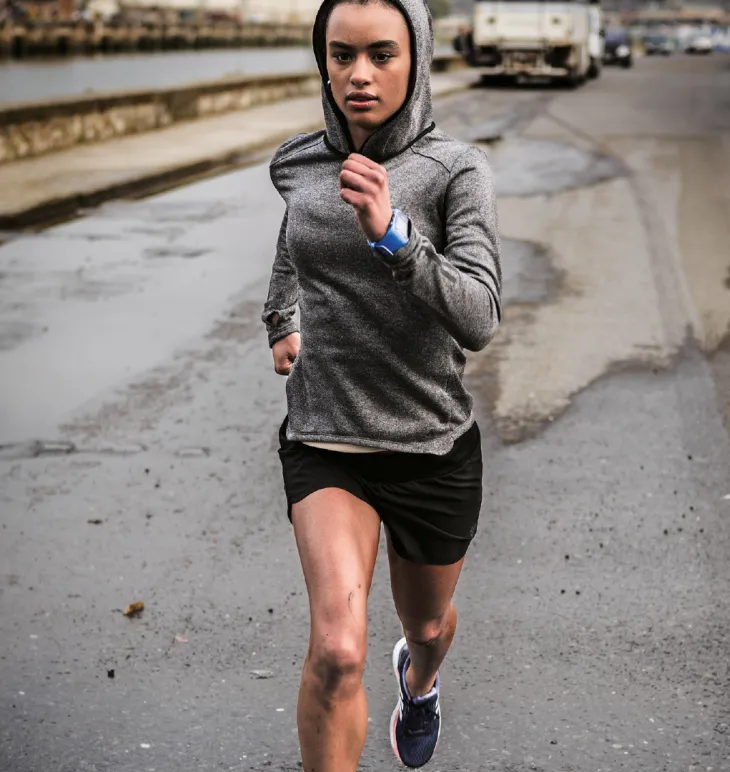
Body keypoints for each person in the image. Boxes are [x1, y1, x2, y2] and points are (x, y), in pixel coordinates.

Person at [262, 0, 501, 769]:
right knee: (337, 650)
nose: (358, 74)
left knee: (426, 627)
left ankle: (420, 680)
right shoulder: (298, 163)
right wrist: (281, 318)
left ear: (416, 58)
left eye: (381, 54)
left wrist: (394, 237)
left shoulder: (457, 170)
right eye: (341, 55)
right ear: (323, 61)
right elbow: (296, 240)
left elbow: (480, 316)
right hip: (326, 436)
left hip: (430, 444)